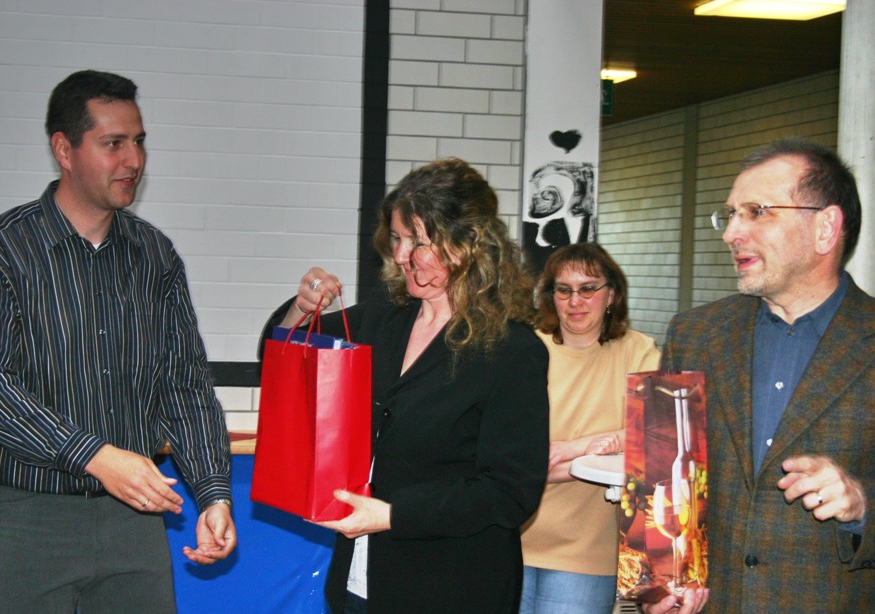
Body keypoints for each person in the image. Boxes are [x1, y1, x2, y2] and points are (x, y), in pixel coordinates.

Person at [0, 70, 236, 613]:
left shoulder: (156, 256)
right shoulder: (0, 251)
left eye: (139, 142)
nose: (133, 160)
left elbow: (184, 385)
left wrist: (212, 493)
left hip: (134, 516)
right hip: (23, 516)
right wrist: (95, 456)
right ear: (64, 149)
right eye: (113, 144)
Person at [260, 158, 550, 613]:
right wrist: (302, 306)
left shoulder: (512, 349)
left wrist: (393, 515)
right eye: (397, 238)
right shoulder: (384, 317)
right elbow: (282, 356)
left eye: (417, 241)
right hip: (361, 582)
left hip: (451, 588)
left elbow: (510, 492)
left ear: (465, 244)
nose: (399, 255)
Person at [659, 137, 875, 612]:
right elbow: (666, 473)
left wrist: (862, 503)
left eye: (757, 212)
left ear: (825, 228)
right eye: (730, 215)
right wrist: (663, 579)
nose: (731, 233)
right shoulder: (694, 334)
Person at [519, 243, 660, 614]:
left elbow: (661, 437)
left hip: (586, 550)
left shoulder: (638, 351)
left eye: (588, 289)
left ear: (611, 294)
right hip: (511, 536)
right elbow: (507, 455)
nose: (575, 301)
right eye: (563, 290)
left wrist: (573, 449)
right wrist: (598, 454)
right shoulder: (524, 349)